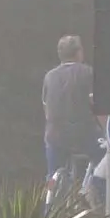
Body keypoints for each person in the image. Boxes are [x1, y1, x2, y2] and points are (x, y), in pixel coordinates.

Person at [41, 34, 103, 190]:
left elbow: (46, 110)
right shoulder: (88, 73)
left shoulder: (49, 77)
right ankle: (98, 196)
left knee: (52, 173)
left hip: (55, 137)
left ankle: (50, 200)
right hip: (84, 134)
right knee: (105, 161)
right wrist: (106, 133)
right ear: (79, 52)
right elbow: (96, 105)